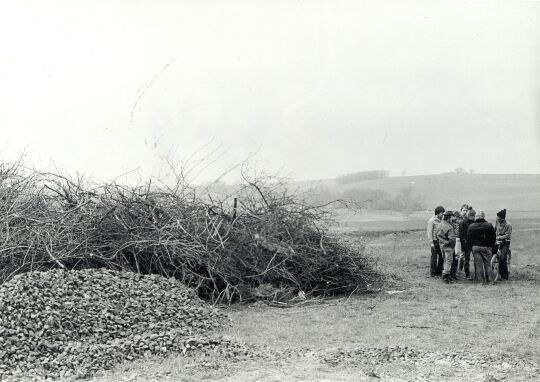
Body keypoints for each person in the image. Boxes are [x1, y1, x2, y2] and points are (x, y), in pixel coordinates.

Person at [467, 210, 496, 284]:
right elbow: (493, 237)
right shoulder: (489, 225)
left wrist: (470, 247)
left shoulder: (471, 226)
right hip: (486, 247)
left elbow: (468, 239)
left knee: (478, 264)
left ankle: (481, 281)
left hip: (475, 247)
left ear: (477, 217)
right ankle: (490, 281)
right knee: (487, 264)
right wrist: (491, 245)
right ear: (484, 216)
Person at [437, 210, 457, 283]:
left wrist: (443, 242)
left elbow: (437, 235)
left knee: (445, 260)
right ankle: (446, 277)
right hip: (448, 246)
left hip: (442, 245)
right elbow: (452, 239)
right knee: (449, 261)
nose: (453, 218)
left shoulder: (440, 224)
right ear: (449, 217)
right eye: (452, 216)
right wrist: (451, 244)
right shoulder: (449, 227)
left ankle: (444, 275)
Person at [494, 209, 512, 280]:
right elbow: (495, 229)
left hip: (505, 242)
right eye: (497, 217)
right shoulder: (497, 221)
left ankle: (505, 275)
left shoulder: (508, 225)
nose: (497, 218)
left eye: (499, 217)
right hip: (497, 240)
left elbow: (507, 236)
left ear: (503, 218)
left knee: (502, 258)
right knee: (491, 252)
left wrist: (499, 237)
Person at [427, 206, 445, 277]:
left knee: (441, 256)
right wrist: (431, 243)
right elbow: (429, 232)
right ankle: (433, 272)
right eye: (442, 213)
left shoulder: (441, 220)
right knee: (434, 257)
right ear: (438, 213)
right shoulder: (431, 221)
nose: (443, 214)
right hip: (434, 241)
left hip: (440, 241)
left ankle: (439, 271)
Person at [458, 208, 476, 279]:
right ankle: (475, 274)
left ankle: (467, 274)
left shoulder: (462, 222)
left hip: (466, 244)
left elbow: (461, 235)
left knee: (466, 259)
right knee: (473, 259)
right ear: (473, 216)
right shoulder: (475, 223)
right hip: (471, 244)